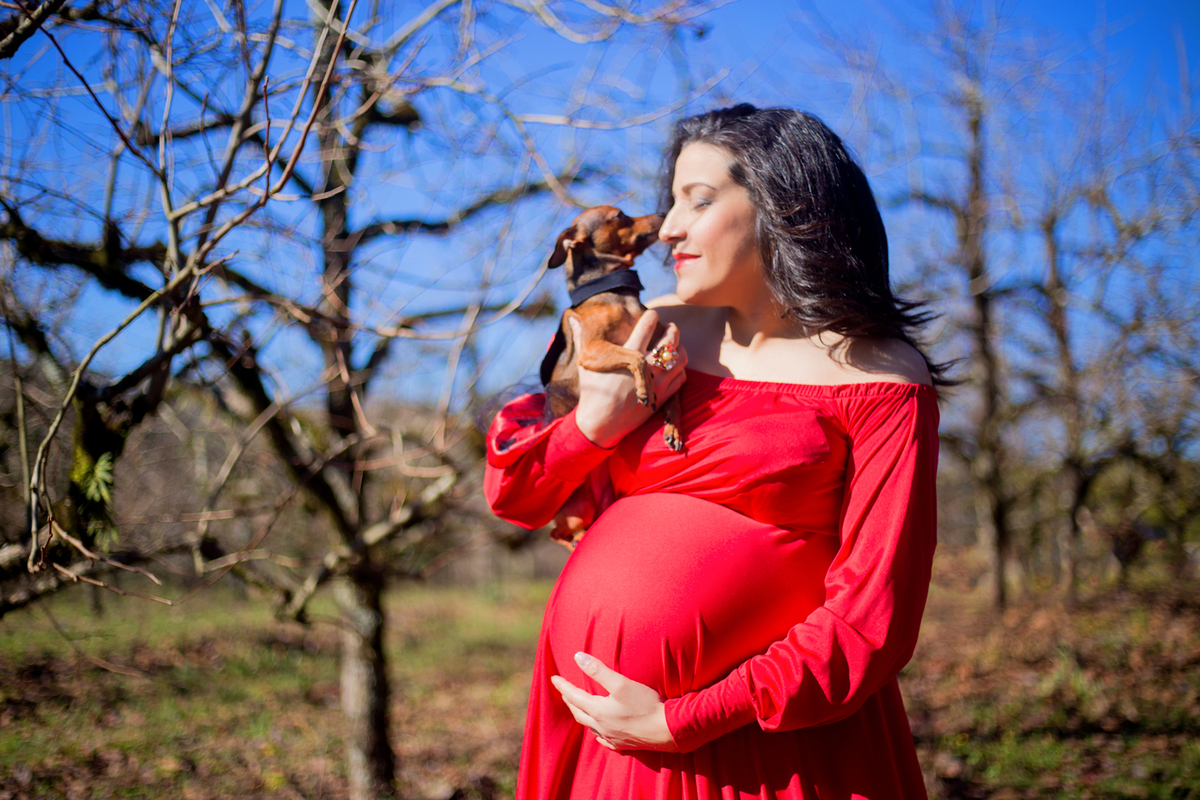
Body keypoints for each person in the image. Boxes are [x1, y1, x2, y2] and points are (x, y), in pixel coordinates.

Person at [484, 104, 945, 800]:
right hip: (604, 739)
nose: (666, 228)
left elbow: (872, 618)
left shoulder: (879, 379)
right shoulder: (644, 333)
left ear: (784, 207)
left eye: (697, 201)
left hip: (761, 752)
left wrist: (682, 718)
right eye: (671, 201)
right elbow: (516, 492)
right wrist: (595, 428)